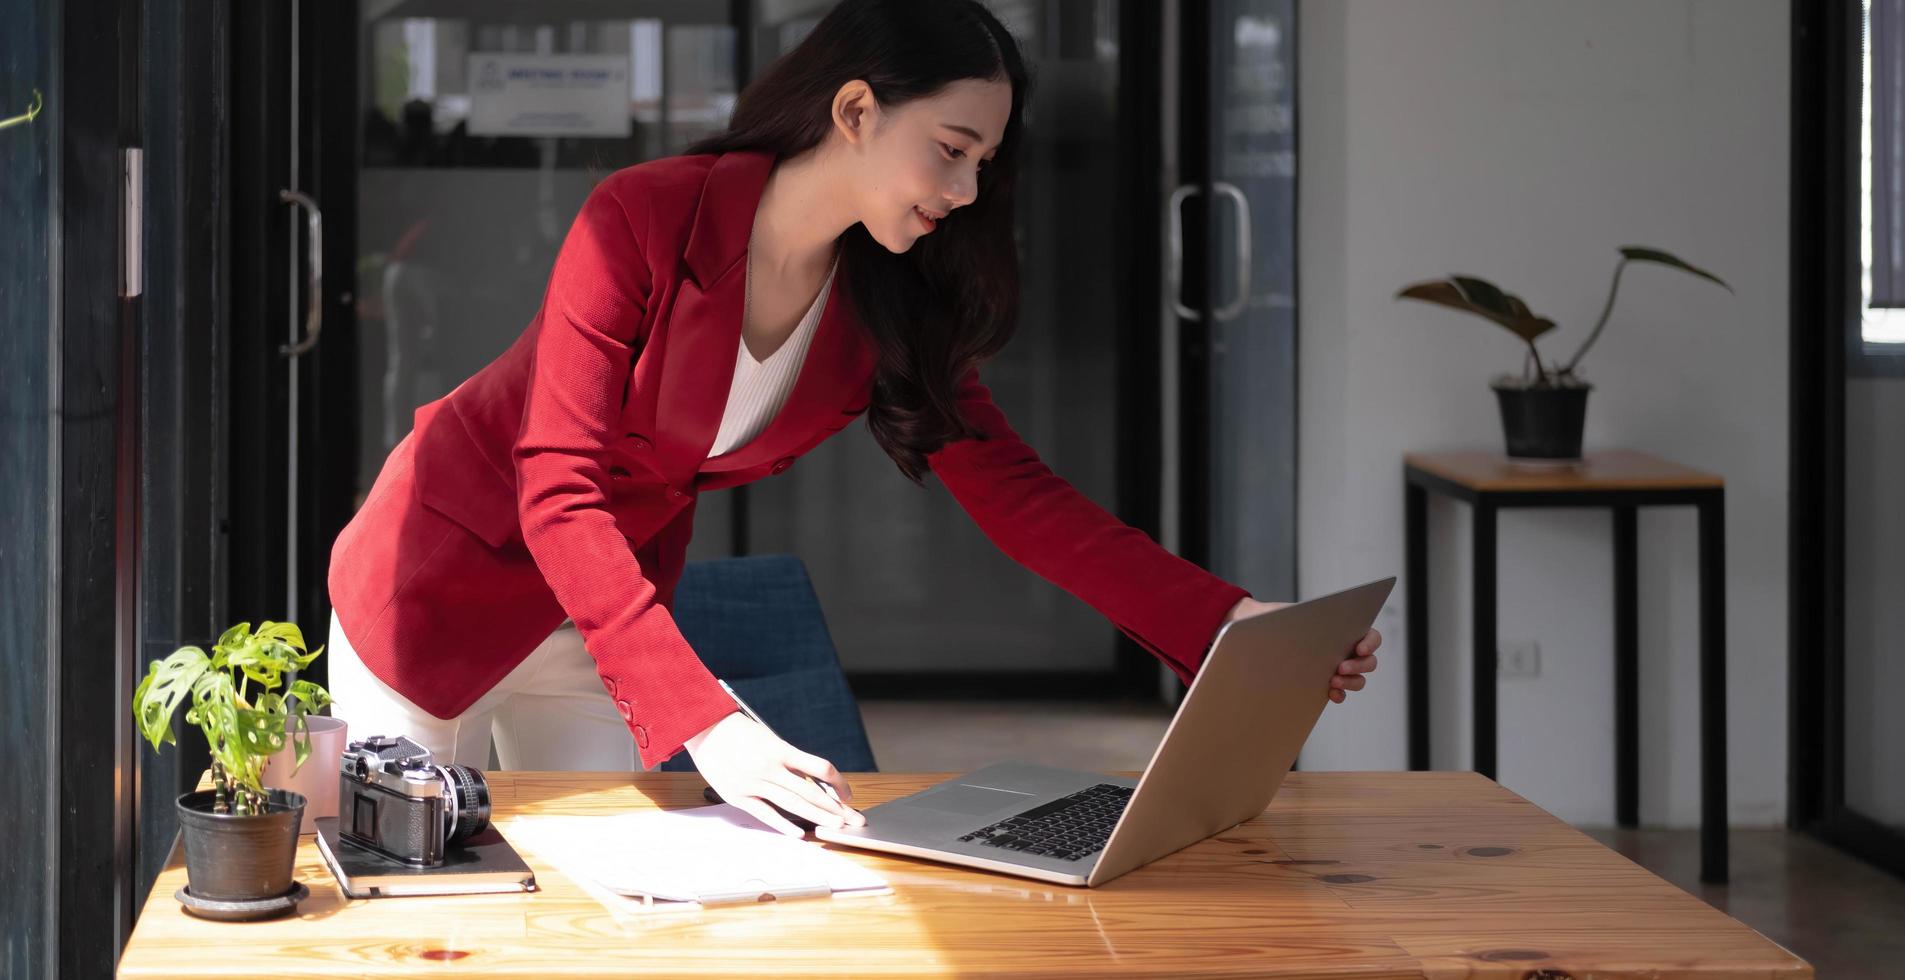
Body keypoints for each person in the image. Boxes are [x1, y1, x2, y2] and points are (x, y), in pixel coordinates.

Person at [324, 0, 1380, 839]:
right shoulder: (644, 217)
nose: (968, 189)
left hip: (598, 617)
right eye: (953, 148)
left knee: (607, 903)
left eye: (986, 164)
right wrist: (709, 718)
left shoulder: (887, 301)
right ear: (857, 109)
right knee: (407, 897)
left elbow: (1022, 499)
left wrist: (1225, 621)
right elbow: (556, 483)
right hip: (438, 582)